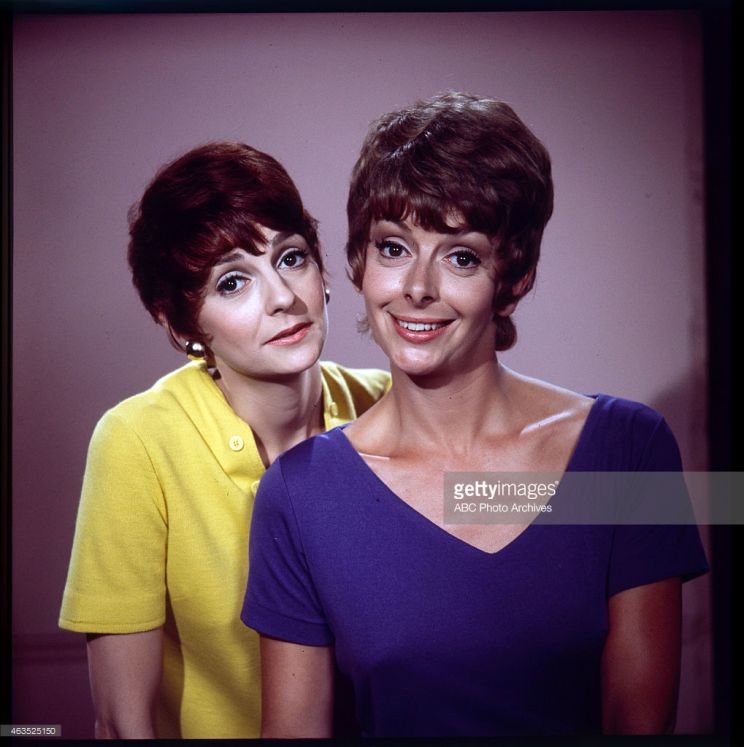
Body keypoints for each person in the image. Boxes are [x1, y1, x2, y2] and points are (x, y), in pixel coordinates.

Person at [241, 92, 709, 737]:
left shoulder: (628, 451)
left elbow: (639, 722)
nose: (418, 288)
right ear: (358, 264)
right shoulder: (300, 495)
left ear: (514, 280)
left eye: (461, 256)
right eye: (393, 248)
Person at [58, 141, 390, 739]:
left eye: (291, 258)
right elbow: (123, 724)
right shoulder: (138, 441)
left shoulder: (387, 403)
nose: (283, 298)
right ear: (182, 323)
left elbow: (519, 504)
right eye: (233, 282)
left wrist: (591, 494)